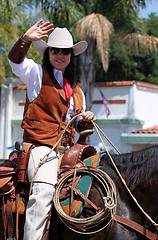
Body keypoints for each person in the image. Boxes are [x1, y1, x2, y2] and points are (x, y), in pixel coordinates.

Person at [8, 19, 96, 240]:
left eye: (65, 51)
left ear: (70, 55)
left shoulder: (78, 91)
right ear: (48, 53)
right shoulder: (36, 74)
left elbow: (77, 125)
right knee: (45, 190)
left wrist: (86, 120)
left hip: (68, 152)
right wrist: (25, 40)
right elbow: (15, 63)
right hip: (39, 148)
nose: (59, 55)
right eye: (54, 50)